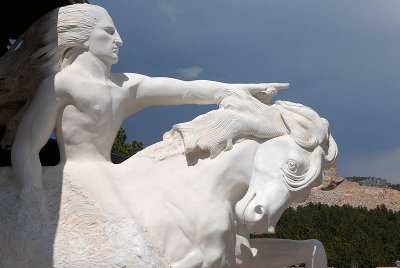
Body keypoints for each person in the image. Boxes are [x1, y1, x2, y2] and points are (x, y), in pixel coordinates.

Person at [3, 3, 288, 195]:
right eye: (109, 32)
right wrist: (33, 202)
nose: (120, 40)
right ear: (83, 37)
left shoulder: (126, 86)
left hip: (111, 179)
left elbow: (188, 89)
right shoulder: (60, 85)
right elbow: (27, 147)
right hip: (77, 184)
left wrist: (241, 89)